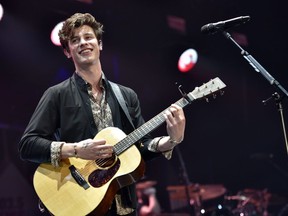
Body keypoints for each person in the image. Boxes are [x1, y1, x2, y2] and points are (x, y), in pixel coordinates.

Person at [18, 12, 186, 216]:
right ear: (67, 52)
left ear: (100, 44)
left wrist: (172, 140)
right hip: (80, 202)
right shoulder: (56, 95)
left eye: (88, 37)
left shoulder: (126, 95)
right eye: (74, 40)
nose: (83, 43)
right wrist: (76, 150)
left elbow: (142, 147)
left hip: (123, 205)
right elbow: (28, 145)